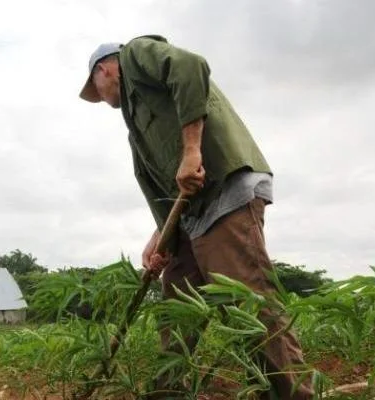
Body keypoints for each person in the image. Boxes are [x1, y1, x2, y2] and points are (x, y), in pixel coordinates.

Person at [78, 35, 314, 399]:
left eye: (95, 86)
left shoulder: (137, 56)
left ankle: (291, 394)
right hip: (192, 215)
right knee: (177, 304)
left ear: (103, 70)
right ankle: (167, 392)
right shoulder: (135, 123)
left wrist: (192, 151)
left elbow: (191, 67)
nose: (99, 96)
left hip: (223, 193)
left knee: (247, 304)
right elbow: (163, 187)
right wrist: (162, 237)